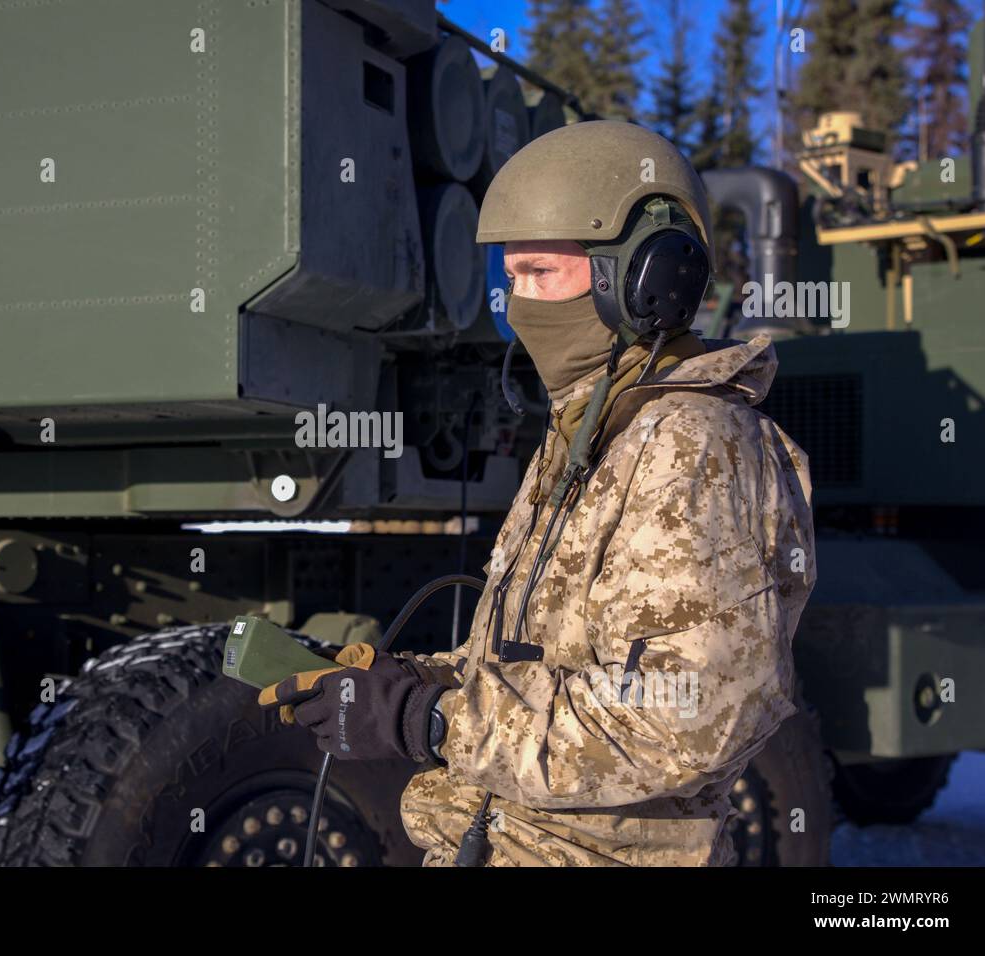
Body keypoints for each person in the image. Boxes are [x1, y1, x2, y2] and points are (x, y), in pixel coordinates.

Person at [260, 121, 816, 866]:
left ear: (649, 278)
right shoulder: (592, 431)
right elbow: (542, 670)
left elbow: (687, 716)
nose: (518, 305)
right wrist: (400, 683)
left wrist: (430, 722)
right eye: (510, 276)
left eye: (540, 273)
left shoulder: (694, 444)